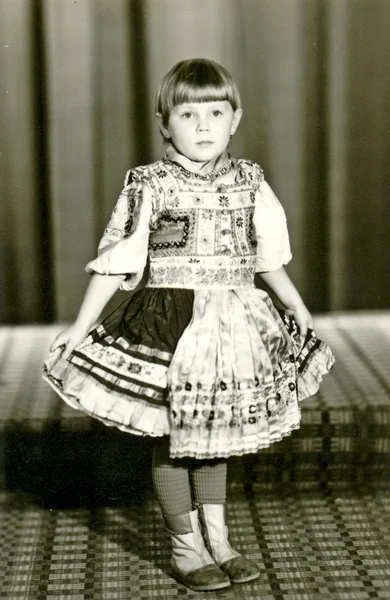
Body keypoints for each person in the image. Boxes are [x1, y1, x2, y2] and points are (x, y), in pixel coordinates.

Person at [43, 58, 335, 592]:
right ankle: (185, 544)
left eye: (215, 113)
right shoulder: (149, 184)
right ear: (164, 123)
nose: (203, 127)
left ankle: (218, 539)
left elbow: (268, 260)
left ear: (235, 119)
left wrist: (295, 307)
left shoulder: (251, 182)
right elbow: (116, 262)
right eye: (187, 114)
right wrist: (81, 326)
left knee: (215, 436)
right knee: (177, 437)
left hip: (235, 323)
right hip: (170, 321)